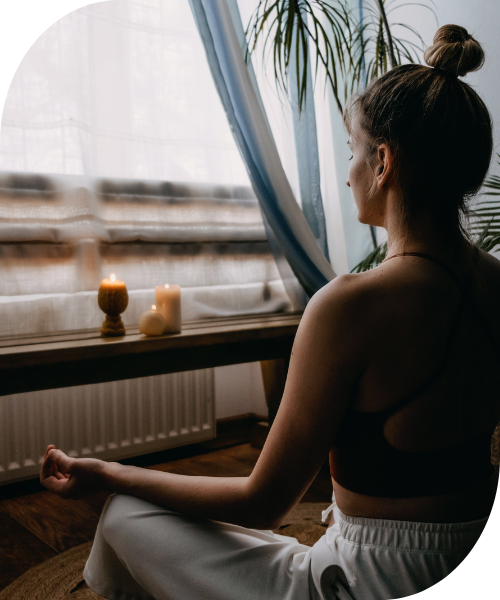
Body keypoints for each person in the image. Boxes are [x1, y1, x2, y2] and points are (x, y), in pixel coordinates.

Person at [40, 24, 499, 600]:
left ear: (384, 163)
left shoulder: (350, 305)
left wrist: (108, 473)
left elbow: (261, 504)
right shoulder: (494, 283)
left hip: (372, 583)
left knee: (127, 514)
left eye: (354, 151)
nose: (349, 169)